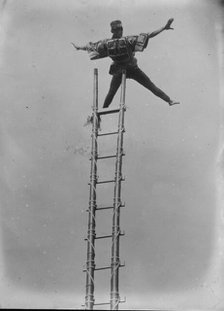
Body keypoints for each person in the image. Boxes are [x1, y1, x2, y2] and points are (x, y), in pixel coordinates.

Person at [72, 19, 180, 108]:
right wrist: (79, 47)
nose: (120, 31)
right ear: (114, 31)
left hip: (131, 68)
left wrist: (163, 28)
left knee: (150, 86)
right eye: (118, 29)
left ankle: (168, 100)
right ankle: (100, 114)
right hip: (121, 69)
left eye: (120, 29)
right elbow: (91, 46)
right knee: (111, 92)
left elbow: (148, 35)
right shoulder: (109, 43)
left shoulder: (124, 41)